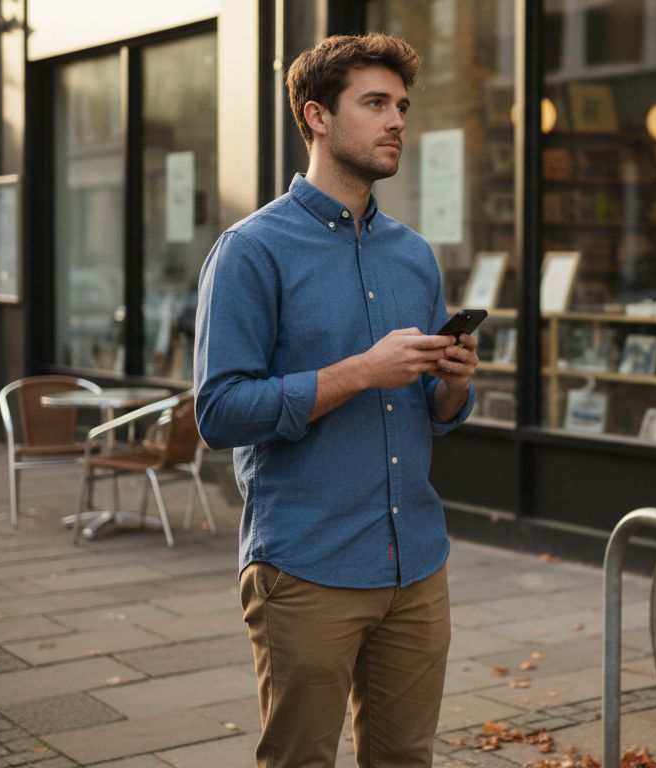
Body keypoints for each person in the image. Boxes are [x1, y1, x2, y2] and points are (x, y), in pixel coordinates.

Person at [193, 33, 477, 768]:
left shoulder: (413, 253)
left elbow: (431, 411)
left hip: (415, 563)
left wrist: (452, 384)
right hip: (306, 566)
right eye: (375, 103)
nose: (397, 122)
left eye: (402, 106)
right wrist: (359, 371)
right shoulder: (251, 250)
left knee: (406, 759)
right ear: (316, 116)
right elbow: (219, 411)